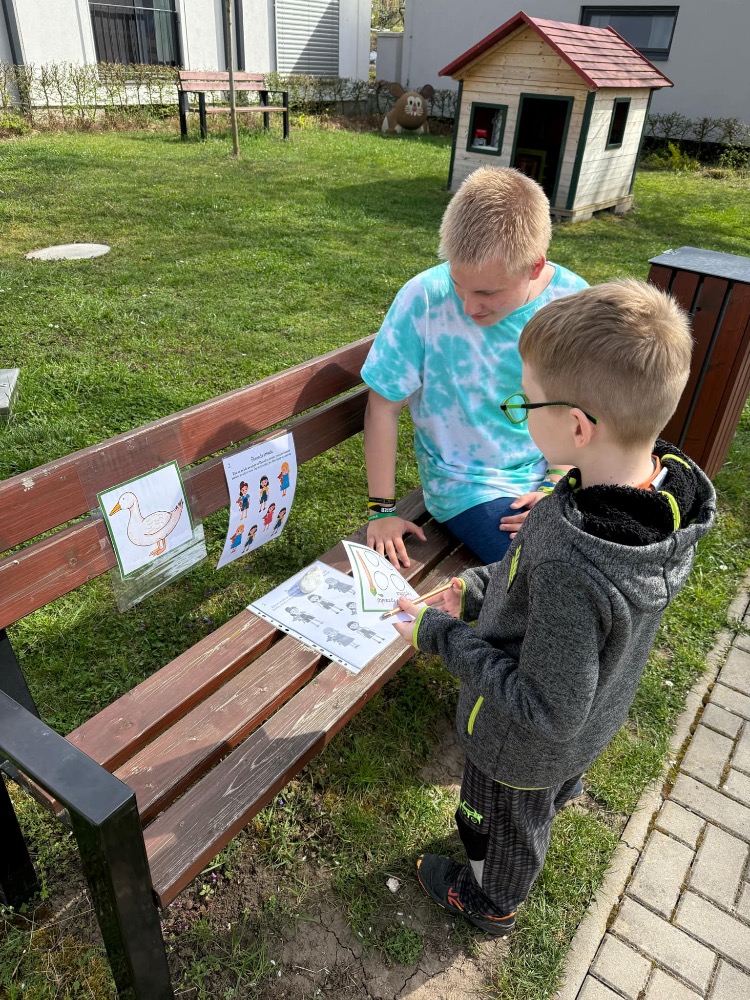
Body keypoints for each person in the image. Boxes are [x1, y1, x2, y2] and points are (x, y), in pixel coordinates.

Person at [391, 280, 715, 937]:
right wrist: (475, 590)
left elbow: (545, 707)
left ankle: (490, 900)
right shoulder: (641, 492)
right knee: (546, 790)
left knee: (495, 825)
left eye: (525, 402)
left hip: (518, 749)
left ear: (576, 427)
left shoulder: (578, 562)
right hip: (591, 724)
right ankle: (552, 794)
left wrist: (441, 635)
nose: (519, 414)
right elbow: (529, 574)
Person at [362, 166, 588, 569]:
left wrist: (556, 484)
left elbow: (579, 403)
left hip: (555, 475)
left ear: (535, 267)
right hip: (465, 486)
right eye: (458, 284)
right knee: (541, 573)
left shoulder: (572, 303)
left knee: (604, 557)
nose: (469, 307)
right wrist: (381, 511)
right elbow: (383, 406)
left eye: (486, 292)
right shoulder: (424, 298)